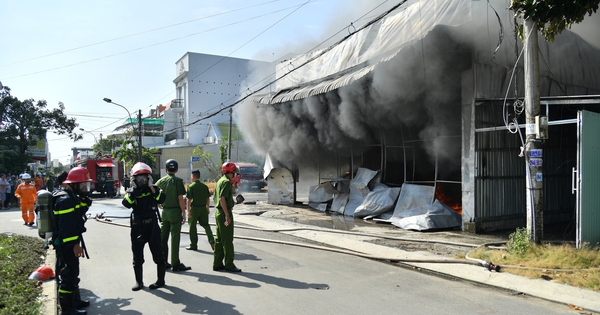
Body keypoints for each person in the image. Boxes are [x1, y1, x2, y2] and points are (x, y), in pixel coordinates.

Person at [53, 167, 93, 315]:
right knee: (68, 275)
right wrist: (75, 245)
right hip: (67, 244)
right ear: (73, 184)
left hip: (69, 242)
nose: (85, 188)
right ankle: (68, 310)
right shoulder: (66, 200)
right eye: (82, 185)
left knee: (73, 273)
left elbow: (79, 213)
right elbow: (66, 228)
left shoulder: (71, 196)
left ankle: (75, 301)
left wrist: (84, 199)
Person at [122, 162, 167, 291]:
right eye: (139, 178)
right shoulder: (131, 192)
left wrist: (153, 188)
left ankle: (160, 280)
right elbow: (126, 203)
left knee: (159, 255)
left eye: (145, 178)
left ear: (149, 178)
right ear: (134, 179)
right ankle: (139, 282)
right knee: (137, 256)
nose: (142, 180)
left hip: (152, 227)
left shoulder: (155, 189)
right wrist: (134, 192)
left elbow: (162, 199)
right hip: (138, 227)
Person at [155, 159, 191, 272]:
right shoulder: (178, 181)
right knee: (175, 238)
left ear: (166, 169)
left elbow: (155, 195)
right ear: (176, 169)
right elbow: (181, 199)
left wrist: (158, 204)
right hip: (175, 212)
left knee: (163, 238)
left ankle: (164, 262)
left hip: (165, 213)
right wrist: (183, 212)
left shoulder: (160, 182)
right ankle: (175, 263)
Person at [212, 162, 241, 272]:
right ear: (232, 172)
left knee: (219, 240)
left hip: (219, 212)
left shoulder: (221, 181)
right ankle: (229, 264)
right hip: (224, 212)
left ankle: (217, 263)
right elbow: (222, 199)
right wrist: (227, 216)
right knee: (227, 240)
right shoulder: (226, 183)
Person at [186, 170, 215, 251]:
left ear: (193, 177)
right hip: (203, 209)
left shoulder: (191, 187)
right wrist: (207, 208)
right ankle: (212, 241)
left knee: (192, 227)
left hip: (194, 209)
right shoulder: (204, 186)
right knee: (206, 225)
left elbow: (188, 200)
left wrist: (188, 211)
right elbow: (208, 198)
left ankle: (193, 245)